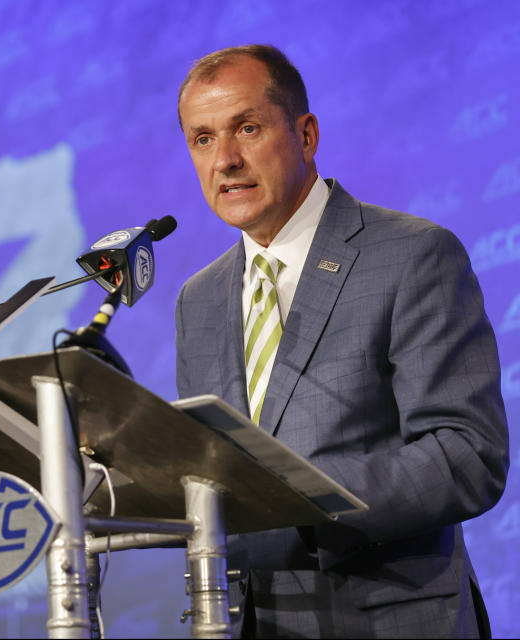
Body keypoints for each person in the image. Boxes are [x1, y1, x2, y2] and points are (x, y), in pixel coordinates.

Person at [174, 44, 509, 638]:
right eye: (202, 139)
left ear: (306, 135)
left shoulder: (413, 254)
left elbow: (466, 455)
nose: (224, 159)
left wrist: (303, 499)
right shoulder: (197, 300)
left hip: (392, 619)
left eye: (247, 128)